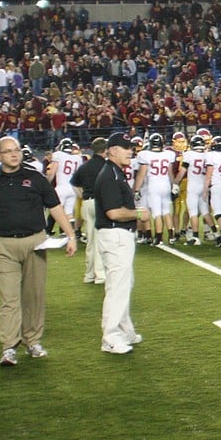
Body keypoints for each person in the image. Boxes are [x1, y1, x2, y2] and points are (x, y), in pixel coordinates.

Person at [0, 136, 77, 366]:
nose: (14, 154)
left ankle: (32, 341)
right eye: (8, 151)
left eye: (16, 150)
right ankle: (9, 347)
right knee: (9, 299)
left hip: (35, 242)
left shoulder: (35, 178)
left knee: (34, 296)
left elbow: (54, 206)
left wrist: (71, 235)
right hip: (2, 244)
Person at [93, 133, 149, 355]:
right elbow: (113, 212)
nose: (130, 151)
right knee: (118, 287)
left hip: (118, 235)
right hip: (115, 234)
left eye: (131, 148)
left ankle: (125, 331)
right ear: (112, 150)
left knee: (124, 284)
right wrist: (138, 213)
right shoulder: (109, 175)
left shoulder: (115, 172)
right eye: (125, 147)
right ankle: (111, 337)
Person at [71, 137, 108, 284]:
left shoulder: (84, 166)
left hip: (87, 202)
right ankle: (100, 274)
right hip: (100, 203)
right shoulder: (106, 166)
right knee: (100, 239)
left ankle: (89, 274)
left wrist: (83, 196)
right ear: (105, 150)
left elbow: (74, 184)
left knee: (91, 240)